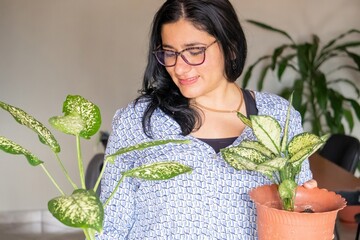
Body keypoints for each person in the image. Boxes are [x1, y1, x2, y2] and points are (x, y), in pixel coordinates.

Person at [97, 0, 315, 239]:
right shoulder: (138, 122)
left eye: (194, 51)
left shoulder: (277, 117)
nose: (180, 68)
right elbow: (110, 228)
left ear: (230, 47)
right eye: (170, 53)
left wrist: (307, 211)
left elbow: (299, 216)